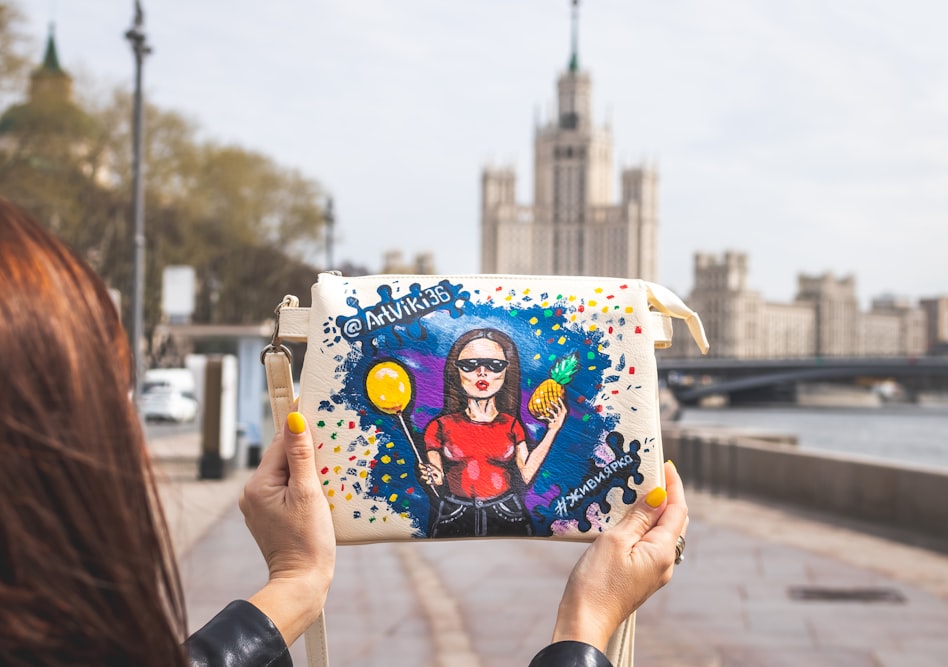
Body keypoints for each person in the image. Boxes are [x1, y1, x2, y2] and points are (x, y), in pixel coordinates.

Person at [0, 196, 688, 666]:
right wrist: (585, 627)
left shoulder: (509, 422)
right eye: (110, 391)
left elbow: (527, 473)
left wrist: (297, 579)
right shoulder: (444, 422)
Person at [419, 328, 567, 537]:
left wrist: (552, 431)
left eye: (494, 365)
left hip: (506, 512)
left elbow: (524, 475)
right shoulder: (440, 426)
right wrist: (432, 475)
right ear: (456, 372)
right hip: (455, 513)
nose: (482, 372)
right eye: (470, 365)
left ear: (507, 372)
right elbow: (438, 477)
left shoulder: (511, 425)